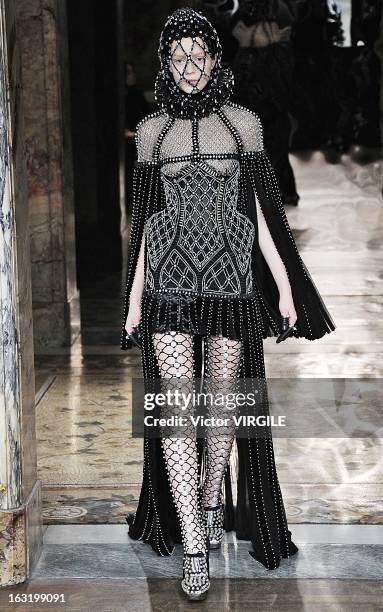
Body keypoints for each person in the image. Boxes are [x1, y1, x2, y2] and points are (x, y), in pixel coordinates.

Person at [120, 7, 335, 602]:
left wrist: (287, 288)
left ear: (215, 59)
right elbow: (143, 228)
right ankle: (195, 544)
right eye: (178, 55)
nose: (190, 66)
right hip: (166, 283)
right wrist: (135, 301)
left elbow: (265, 214)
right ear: (166, 62)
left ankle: (211, 502)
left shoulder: (243, 124)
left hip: (232, 282)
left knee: (218, 410)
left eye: (199, 54)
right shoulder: (151, 132)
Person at [231, 0, 301, 206]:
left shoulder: (275, 14)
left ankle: (275, 194)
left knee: (273, 143)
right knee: (265, 143)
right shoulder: (271, 15)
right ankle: (273, 194)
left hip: (267, 77)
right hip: (258, 76)